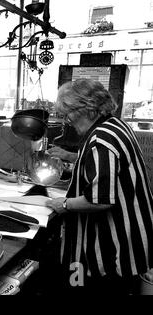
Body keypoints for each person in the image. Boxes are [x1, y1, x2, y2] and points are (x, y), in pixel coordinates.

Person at [45, 79, 153, 294]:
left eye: (68, 114)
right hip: (135, 238)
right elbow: (107, 166)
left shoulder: (100, 140)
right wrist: (72, 158)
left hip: (113, 248)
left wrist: (63, 204)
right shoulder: (114, 125)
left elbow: (99, 200)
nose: (67, 121)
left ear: (88, 109)